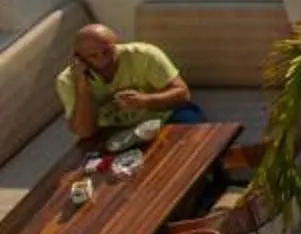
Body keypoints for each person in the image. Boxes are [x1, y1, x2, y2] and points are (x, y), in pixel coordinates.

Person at [58, 26, 202, 148]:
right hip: (115, 132)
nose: (103, 60)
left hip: (164, 118)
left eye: (107, 51)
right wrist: (82, 85)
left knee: (195, 141)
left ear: (117, 45)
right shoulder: (67, 80)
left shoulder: (145, 54)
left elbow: (183, 94)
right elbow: (85, 131)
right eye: (93, 56)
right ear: (79, 58)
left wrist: (145, 100)